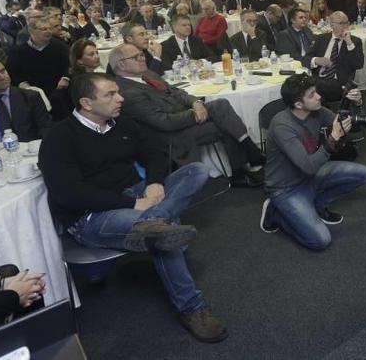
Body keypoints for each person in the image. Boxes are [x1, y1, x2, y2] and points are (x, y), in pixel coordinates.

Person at [39, 73, 228, 342]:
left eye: (118, 92)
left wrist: (153, 183)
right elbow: (69, 194)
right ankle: (191, 308)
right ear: (86, 103)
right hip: (91, 215)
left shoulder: (122, 124)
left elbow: (156, 152)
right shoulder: (59, 138)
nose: (120, 98)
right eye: (110, 95)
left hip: (137, 195)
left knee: (197, 171)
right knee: (162, 237)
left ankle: (155, 221)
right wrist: (131, 203)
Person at [111, 45, 265, 187]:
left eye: (141, 54)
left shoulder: (148, 74)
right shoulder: (127, 92)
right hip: (170, 135)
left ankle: (246, 160)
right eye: (135, 57)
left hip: (183, 117)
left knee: (221, 106)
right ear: (121, 65)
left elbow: (177, 91)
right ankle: (244, 164)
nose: (142, 58)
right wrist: (193, 113)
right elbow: (163, 122)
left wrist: (196, 103)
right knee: (222, 122)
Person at [260, 73, 366, 249]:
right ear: (298, 104)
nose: (319, 96)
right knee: (320, 240)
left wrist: (356, 104)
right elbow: (309, 166)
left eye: (316, 91)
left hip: (310, 176)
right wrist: (333, 138)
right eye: (312, 94)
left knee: (363, 173)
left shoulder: (317, 111)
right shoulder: (282, 125)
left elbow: (351, 128)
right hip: (285, 188)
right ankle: (276, 213)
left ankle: (318, 204)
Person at [301, 11, 364, 102]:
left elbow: (359, 64)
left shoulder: (355, 41)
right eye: (341, 23)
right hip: (319, 78)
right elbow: (305, 59)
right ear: (332, 25)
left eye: (347, 23)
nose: (345, 26)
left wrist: (349, 43)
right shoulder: (321, 38)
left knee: (319, 90)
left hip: (339, 81)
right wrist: (316, 60)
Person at [0, 54, 52, 142]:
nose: (2, 77)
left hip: (28, 152)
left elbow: (46, 129)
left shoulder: (30, 97)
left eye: (3, 71)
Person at [7, 15, 70, 101]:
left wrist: (65, 78)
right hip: (32, 95)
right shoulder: (18, 51)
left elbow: (70, 65)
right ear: (31, 31)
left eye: (49, 29)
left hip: (59, 91)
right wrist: (22, 84)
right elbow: (13, 72)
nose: (48, 31)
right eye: (44, 29)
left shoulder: (59, 46)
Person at [53, 38, 103, 119]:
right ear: (79, 61)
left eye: (97, 52)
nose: (97, 57)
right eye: (91, 54)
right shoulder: (78, 81)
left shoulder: (91, 74)